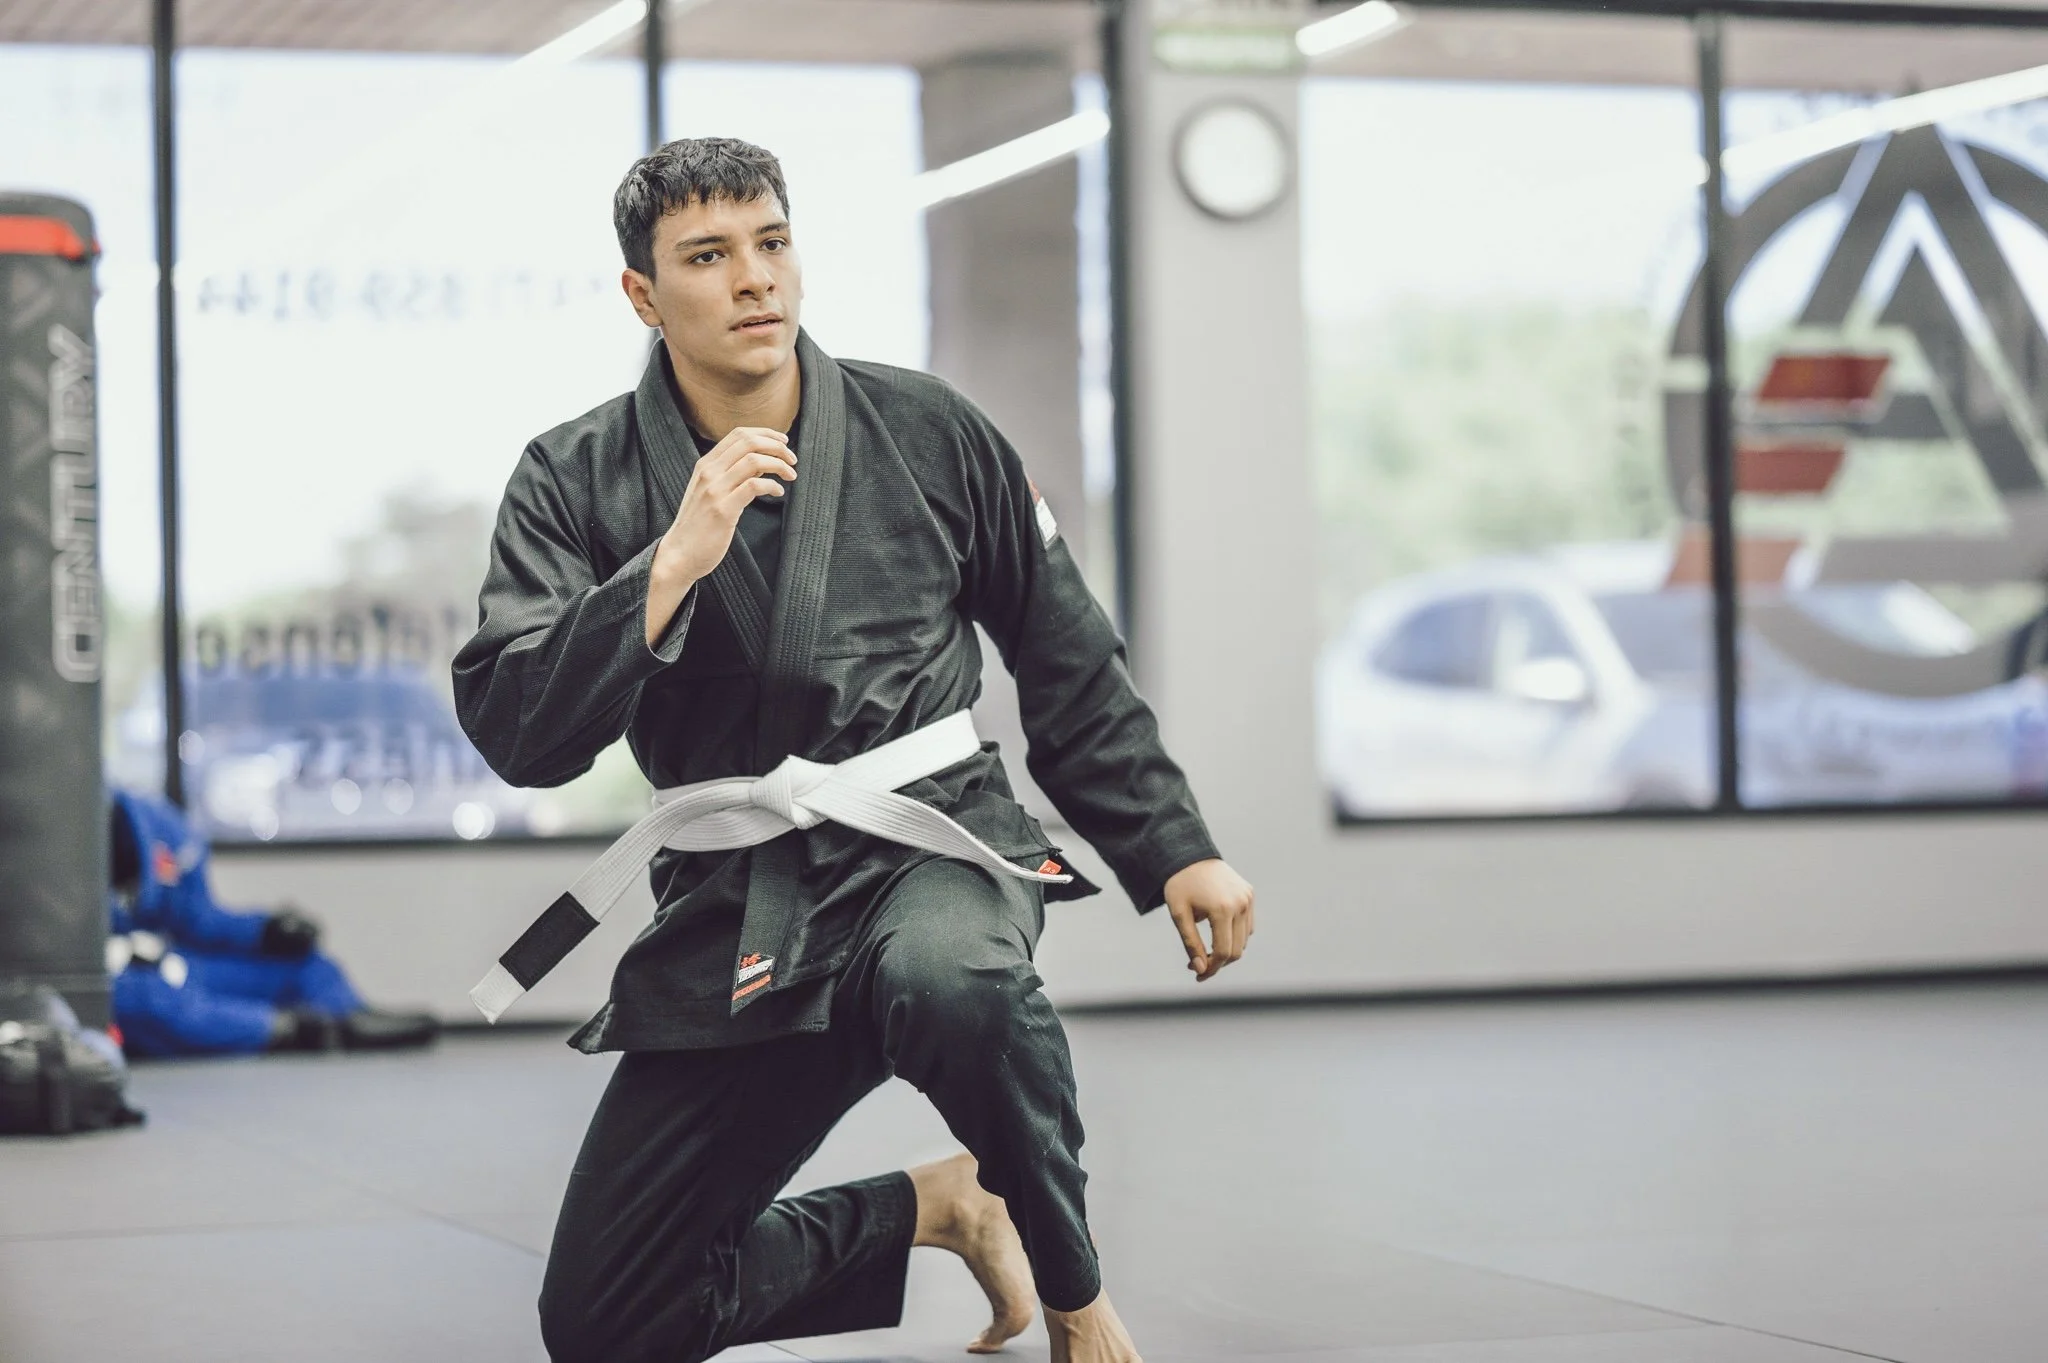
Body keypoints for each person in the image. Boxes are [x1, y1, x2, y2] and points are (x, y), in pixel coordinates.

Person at [452, 137, 1256, 1363]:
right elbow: (522, 732)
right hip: (740, 898)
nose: (753, 278)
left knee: (952, 981)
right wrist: (667, 568)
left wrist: (1171, 844)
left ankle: (1076, 1296)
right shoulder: (572, 478)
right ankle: (939, 1206)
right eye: (706, 257)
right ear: (641, 295)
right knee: (608, 1320)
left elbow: (1063, 654)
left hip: (929, 845)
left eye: (771, 243)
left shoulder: (928, 430)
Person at [107, 789, 440, 1057]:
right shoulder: (73, 845)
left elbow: (199, 921)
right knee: (150, 1003)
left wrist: (265, 930)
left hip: (174, 964)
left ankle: (348, 1018)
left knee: (303, 964)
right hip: (117, 983)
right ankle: (285, 1029)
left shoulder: (163, 828)